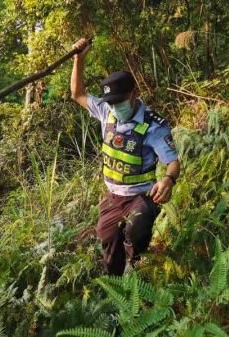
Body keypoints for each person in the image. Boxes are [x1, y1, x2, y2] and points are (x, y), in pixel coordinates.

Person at [70, 38, 180, 276]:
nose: (115, 107)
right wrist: (79, 59)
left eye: (120, 102)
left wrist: (168, 180)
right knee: (107, 238)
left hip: (142, 195)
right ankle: (117, 284)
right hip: (113, 196)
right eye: (111, 103)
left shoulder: (153, 125)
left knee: (135, 231)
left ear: (134, 94)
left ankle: (139, 269)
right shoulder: (105, 111)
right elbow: (77, 93)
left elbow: (172, 161)